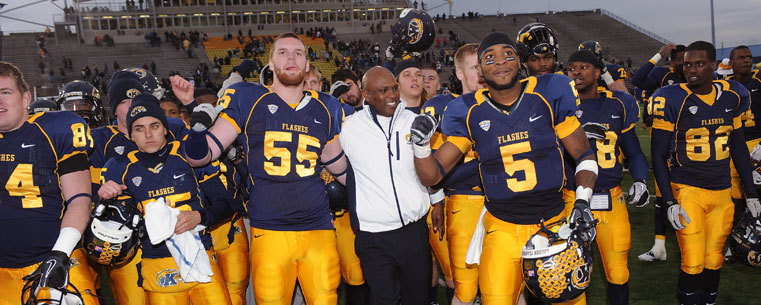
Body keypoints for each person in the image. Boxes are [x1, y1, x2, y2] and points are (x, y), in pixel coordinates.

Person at [410, 31, 597, 305]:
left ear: (518, 61)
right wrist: (420, 146)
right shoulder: (468, 110)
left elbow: (583, 154)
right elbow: (434, 174)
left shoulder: (548, 92)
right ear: (481, 70)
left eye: (508, 55)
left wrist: (582, 202)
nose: (500, 62)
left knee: (567, 300)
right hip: (503, 228)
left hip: (555, 221)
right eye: (490, 58)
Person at [174, 32, 349, 304]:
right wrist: (193, 113)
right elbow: (203, 154)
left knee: (326, 297)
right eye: (283, 52)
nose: (290, 57)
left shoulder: (325, 107)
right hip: (270, 228)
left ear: (306, 65)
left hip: (318, 228)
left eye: (298, 53)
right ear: (271, 63)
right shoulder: (249, 98)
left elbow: (341, 169)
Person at [649, 41, 760, 305]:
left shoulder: (735, 94)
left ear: (714, 65)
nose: (692, 69)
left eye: (699, 63)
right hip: (688, 189)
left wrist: (751, 193)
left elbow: (737, 147)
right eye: (687, 64)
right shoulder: (671, 97)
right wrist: (668, 201)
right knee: (693, 260)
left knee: (714, 258)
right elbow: (657, 154)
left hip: (722, 190)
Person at [98, 94, 232, 305]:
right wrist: (105, 199)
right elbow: (112, 228)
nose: (148, 134)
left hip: (201, 255)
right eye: (139, 128)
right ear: (131, 135)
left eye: (154, 126)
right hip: (157, 265)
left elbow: (225, 204)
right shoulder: (119, 168)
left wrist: (199, 216)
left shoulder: (188, 155)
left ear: (166, 129)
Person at [0, 61, 98, 305]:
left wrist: (60, 253)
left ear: (25, 99)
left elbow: (80, 200)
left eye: (5, 92)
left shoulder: (55, 130)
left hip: (56, 258)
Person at [340, 66, 440, 304]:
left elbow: (428, 166)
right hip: (373, 235)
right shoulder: (351, 128)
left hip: (413, 230)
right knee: (383, 299)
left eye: (394, 88)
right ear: (367, 95)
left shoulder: (413, 121)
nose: (393, 95)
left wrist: (437, 201)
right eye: (383, 90)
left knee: (418, 298)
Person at [565, 50, 650, 305]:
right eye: (572, 68)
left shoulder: (618, 103)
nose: (577, 72)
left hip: (611, 199)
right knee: (570, 274)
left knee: (618, 271)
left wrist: (640, 180)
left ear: (597, 71)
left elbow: (633, 150)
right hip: (572, 200)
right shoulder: (562, 104)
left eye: (583, 67)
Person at [420, 42, 484, 305]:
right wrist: (485, 164)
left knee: (509, 284)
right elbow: (435, 173)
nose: (482, 72)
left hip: (503, 204)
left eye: (484, 64)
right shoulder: (442, 107)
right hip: (461, 203)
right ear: (459, 74)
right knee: (462, 286)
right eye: (474, 67)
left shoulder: (504, 103)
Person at [632, 43, 686, 262]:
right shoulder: (664, 75)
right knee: (662, 193)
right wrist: (659, 55)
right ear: (672, 61)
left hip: (691, 146)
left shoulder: (699, 78)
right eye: (679, 59)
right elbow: (637, 81)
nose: (684, 63)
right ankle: (659, 246)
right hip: (665, 143)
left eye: (687, 58)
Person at [726, 45, 761, 262]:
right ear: (731, 62)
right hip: (733, 145)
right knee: (735, 198)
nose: (746, 61)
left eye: (748, 57)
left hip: (758, 144)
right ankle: (735, 242)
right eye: (741, 58)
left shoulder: (759, 82)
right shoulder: (724, 87)